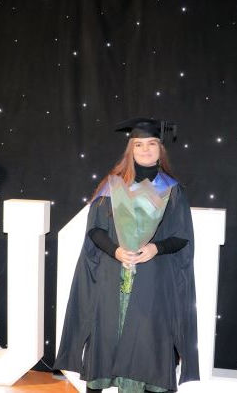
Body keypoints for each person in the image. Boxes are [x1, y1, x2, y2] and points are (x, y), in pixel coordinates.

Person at [53, 118, 199, 393]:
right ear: (130, 149)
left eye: (152, 144)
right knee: (107, 338)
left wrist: (156, 248)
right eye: (139, 144)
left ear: (160, 148)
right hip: (112, 280)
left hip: (153, 284)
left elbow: (182, 237)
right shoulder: (112, 186)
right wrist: (116, 250)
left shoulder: (172, 190)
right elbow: (95, 231)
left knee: (148, 344)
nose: (145, 150)